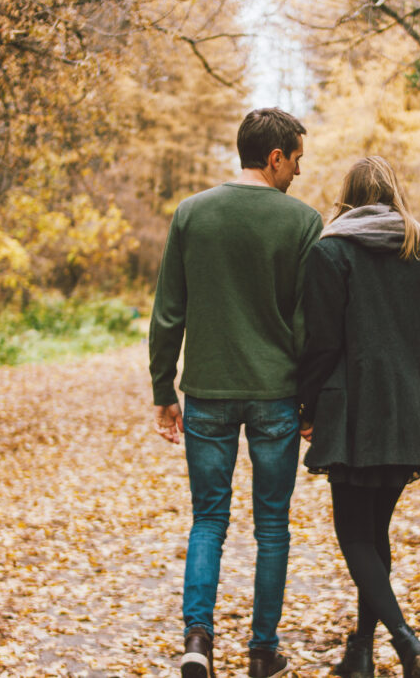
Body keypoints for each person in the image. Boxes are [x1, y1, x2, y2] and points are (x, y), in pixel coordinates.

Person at [148, 108, 323, 678]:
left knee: (208, 520)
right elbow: (308, 323)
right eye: (296, 158)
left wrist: (162, 388)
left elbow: (168, 311)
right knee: (272, 525)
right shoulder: (302, 222)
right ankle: (263, 650)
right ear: (275, 157)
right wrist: (311, 401)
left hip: (207, 391)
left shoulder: (192, 214)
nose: (298, 170)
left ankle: (197, 640)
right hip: (275, 394)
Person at [297, 156, 420, 678]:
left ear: (348, 196)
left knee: (353, 533)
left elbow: (322, 342)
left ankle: (406, 642)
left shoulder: (331, 251)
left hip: (354, 414)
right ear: (394, 193)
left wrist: (306, 404)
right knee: (375, 533)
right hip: (413, 410)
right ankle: (359, 655)